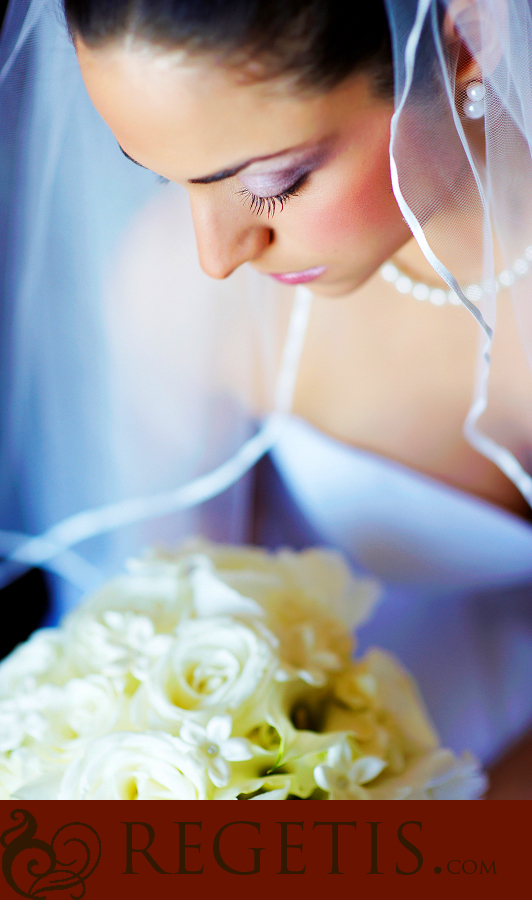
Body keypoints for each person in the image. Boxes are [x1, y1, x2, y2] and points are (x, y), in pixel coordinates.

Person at [1, 0, 532, 797]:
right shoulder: (177, 286)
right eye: (160, 173)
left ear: (466, 33)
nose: (217, 254)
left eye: (271, 182)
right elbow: (153, 607)